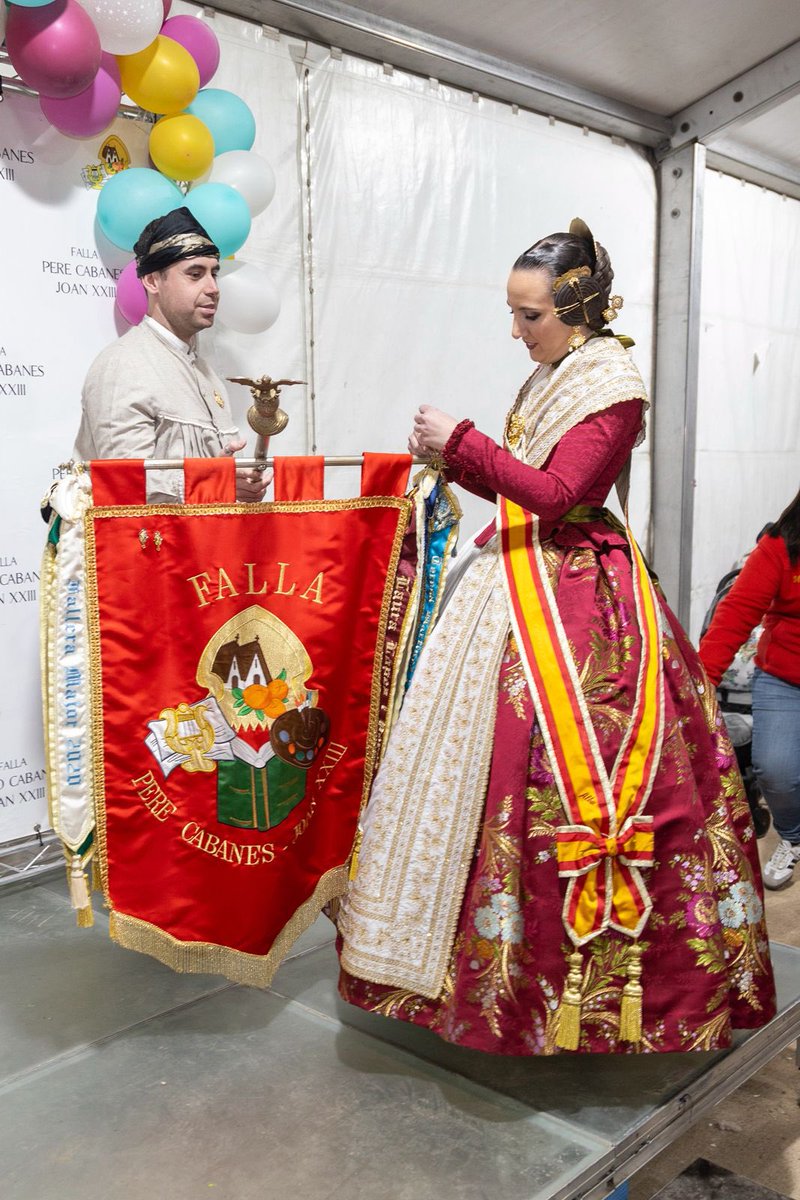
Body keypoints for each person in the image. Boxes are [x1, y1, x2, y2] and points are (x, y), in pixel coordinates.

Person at [337, 219, 776, 1055]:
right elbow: (523, 483)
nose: (516, 331)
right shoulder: (555, 370)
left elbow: (561, 490)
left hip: (580, 599)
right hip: (516, 577)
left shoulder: (611, 382)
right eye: (513, 313)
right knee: (470, 761)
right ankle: (448, 965)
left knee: (569, 766)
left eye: (528, 315)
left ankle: (592, 996)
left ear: (576, 310)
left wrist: (465, 441)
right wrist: (449, 461)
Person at [73, 207, 268, 503]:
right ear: (152, 282)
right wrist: (216, 484)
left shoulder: (209, 377)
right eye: (195, 274)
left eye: (214, 273)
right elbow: (125, 487)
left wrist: (239, 484)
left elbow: (210, 482)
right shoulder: (122, 366)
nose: (213, 288)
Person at [700, 496, 800, 889]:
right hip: (783, 679)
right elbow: (736, 613)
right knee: (776, 771)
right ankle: (793, 837)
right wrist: (698, 684)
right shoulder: (780, 545)